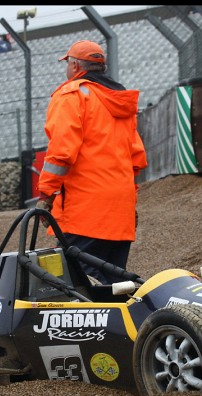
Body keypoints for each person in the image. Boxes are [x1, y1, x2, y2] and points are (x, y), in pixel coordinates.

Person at [36, 40, 148, 284]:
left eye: (68, 64)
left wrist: (46, 193)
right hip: (120, 212)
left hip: (85, 212)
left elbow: (62, 153)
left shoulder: (71, 95)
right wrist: (130, 203)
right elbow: (135, 159)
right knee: (113, 288)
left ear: (75, 66)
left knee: (81, 287)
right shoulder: (119, 100)